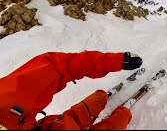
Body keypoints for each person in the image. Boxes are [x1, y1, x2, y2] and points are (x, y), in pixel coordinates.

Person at [0, 51, 143, 130]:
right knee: (118, 120)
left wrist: (112, 61)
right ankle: (119, 111)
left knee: (95, 101)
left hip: (55, 126)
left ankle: (102, 99)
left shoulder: (5, 99)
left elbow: (56, 67)